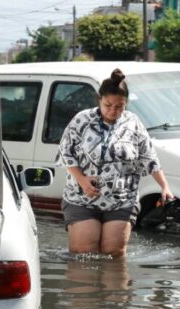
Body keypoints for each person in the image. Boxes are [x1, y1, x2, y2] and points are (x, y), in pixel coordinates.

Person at [57, 68, 173, 258]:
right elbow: (65, 152)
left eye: (119, 106)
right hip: (82, 198)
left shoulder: (133, 123)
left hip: (122, 199)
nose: (113, 111)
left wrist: (164, 186)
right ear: (99, 100)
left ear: (126, 103)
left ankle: (115, 289)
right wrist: (82, 180)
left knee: (114, 256)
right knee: (83, 255)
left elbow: (149, 157)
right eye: (108, 105)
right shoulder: (82, 120)